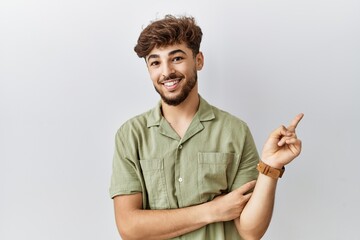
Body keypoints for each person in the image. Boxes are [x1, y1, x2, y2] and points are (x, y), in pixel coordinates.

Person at [109, 14, 304, 240]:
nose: (166, 72)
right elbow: (129, 228)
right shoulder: (130, 136)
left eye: (177, 58)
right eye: (155, 62)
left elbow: (250, 231)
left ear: (198, 60)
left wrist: (270, 168)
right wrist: (211, 211)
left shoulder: (235, 131)